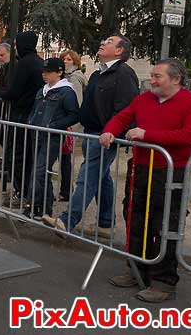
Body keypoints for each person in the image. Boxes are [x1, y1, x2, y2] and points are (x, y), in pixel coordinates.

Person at [99, 59, 191, 303]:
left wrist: (148, 135)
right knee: (135, 217)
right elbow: (123, 117)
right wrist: (108, 130)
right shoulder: (144, 100)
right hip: (140, 167)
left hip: (170, 171)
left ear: (176, 79)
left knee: (165, 224)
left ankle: (164, 281)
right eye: (152, 75)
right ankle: (137, 269)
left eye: (158, 76)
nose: (152, 80)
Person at [43, 34, 139, 236]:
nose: (102, 43)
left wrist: (111, 131)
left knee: (87, 176)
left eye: (109, 42)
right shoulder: (97, 73)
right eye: (104, 40)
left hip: (105, 136)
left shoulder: (124, 74)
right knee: (101, 178)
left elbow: (126, 108)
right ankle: (105, 223)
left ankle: (67, 221)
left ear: (120, 51)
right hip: (91, 133)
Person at [25, 58, 79, 218]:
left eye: (48, 72)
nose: (44, 74)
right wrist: (31, 121)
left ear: (59, 72)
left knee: (40, 170)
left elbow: (74, 115)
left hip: (52, 136)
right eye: (44, 71)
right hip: (37, 133)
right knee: (42, 171)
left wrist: (54, 125)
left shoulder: (66, 91)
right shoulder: (43, 90)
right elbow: (35, 109)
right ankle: (44, 208)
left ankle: (33, 205)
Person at [0, 32, 44, 206]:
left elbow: (13, 92)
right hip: (34, 116)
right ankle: (30, 194)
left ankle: (21, 193)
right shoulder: (39, 62)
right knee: (30, 157)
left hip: (21, 115)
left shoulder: (23, 64)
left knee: (15, 155)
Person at [58, 50, 88, 201]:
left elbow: (76, 102)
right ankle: (66, 188)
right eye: (64, 59)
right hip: (68, 121)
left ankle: (66, 189)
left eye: (69, 59)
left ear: (75, 62)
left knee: (65, 157)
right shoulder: (68, 77)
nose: (65, 62)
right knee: (64, 157)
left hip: (69, 122)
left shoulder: (74, 79)